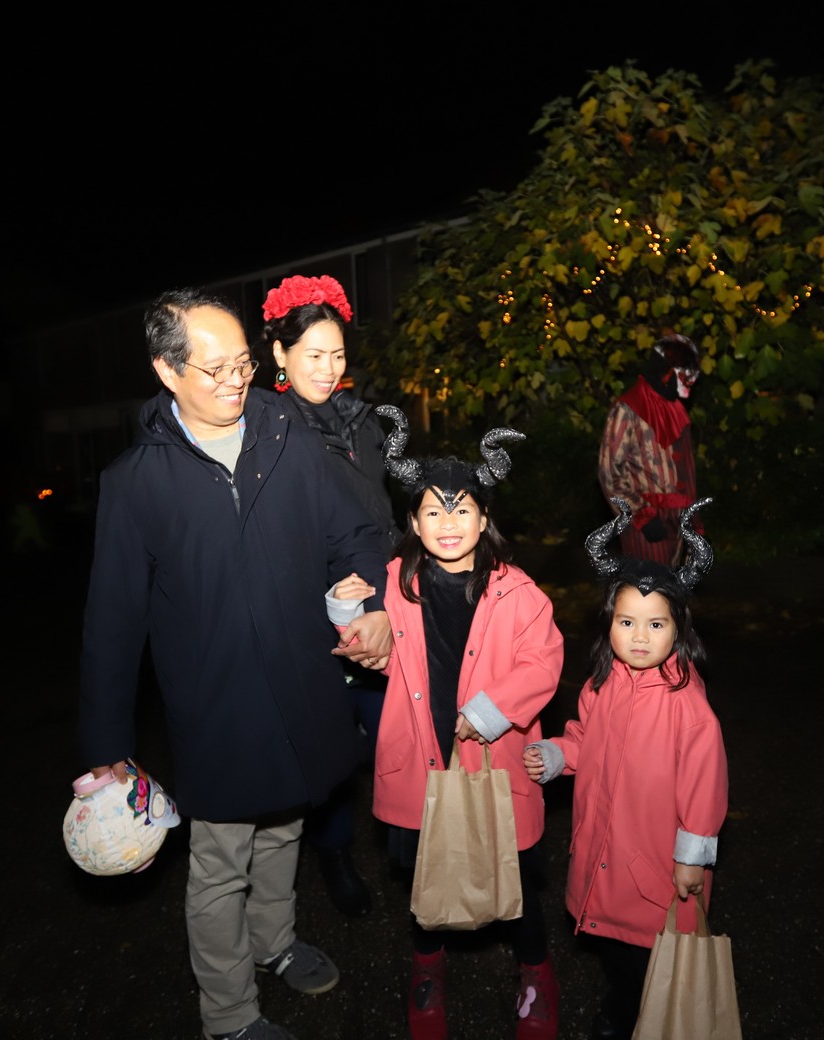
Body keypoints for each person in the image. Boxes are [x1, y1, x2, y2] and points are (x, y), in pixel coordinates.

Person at [76, 288, 395, 1040]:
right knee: (221, 861)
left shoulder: (290, 436)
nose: (234, 382)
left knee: (284, 827)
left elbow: (353, 532)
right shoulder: (136, 482)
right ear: (167, 370)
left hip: (302, 680)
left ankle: (274, 943)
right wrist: (105, 749)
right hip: (215, 704)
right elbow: (112, 625)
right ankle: (228, 1014)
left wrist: (370, 600)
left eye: (243, 365)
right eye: (213, 369)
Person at [331, 405, 564, 1040]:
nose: (449, 523)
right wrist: (347, 613)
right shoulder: (393, 583)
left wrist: (489, 711)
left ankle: (537, 974)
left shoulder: (518, 592)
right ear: (412, 521)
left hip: (496, 760)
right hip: (420, 760)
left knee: (515, 881)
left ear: (485, 518)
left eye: (462, 510)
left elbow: (544, 660)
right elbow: (370, 650)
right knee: (427, 879)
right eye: (433, 511)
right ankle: (427, 968)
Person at [524, 497, 728, 1040]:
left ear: (678, 628)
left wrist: (691, 857)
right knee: (613, 948)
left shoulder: (688, 707)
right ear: (609, 623)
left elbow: (705, 788)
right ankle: (622, 1007)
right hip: (604, 851)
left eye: (655, 623)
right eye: (627, 622)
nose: (639, 636)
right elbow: (585, 739)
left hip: (653, 865)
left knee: (650, 956)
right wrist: (557, 755)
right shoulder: (602, 684)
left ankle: (645, 1017)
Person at [262, 273, 400, 918]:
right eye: (313, 354)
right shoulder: (268, 428)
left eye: (337, 354)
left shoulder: (361, 420)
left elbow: (380, 510)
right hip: (316, 610)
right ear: (279, 354)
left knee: (393, 726)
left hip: (381, 595)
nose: (328, 368)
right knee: (331, 739)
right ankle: (335, 850)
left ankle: (403, 834)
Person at [598, 333, 702, 566]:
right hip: (645, 527)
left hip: (678, 523)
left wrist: (694, 522)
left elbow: (687, 474)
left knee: (673, 588)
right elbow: (610, 473)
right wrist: (641, 516)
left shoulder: (677, 411)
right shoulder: (627, 409)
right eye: (685, 374)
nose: (690, 382)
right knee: (648, 587)